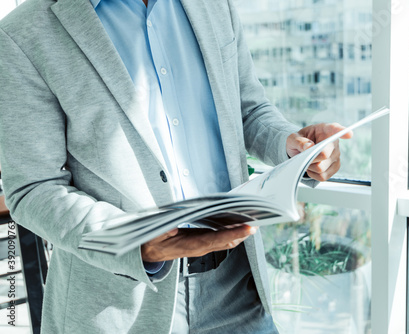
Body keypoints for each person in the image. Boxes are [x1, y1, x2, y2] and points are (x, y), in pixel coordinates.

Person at [0, 0, 351, 332]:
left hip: (237, 292)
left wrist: (293, 146)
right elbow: (34, 189)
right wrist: (137, 242)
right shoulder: (24, 33)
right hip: (117, 309)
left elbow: (247, 108)